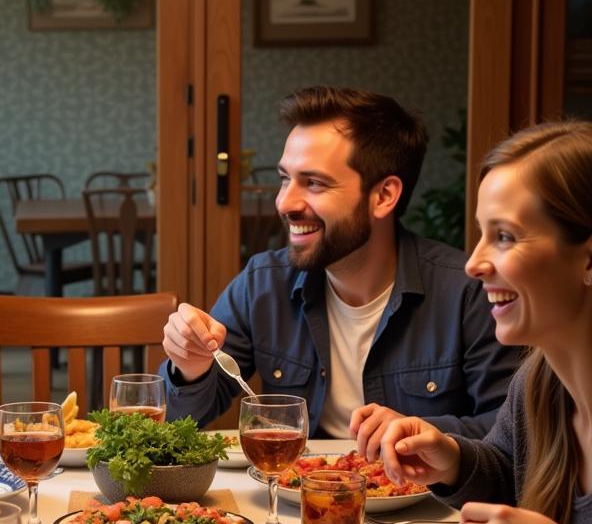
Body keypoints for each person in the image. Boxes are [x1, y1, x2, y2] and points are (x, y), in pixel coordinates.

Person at [161, 86, 521, 442]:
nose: (285, 203)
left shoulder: (467, 292)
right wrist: (190, 370)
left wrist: (423, 434)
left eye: (314, 183)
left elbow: (514, 429)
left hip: (423, 498)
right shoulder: (263, 284)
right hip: (297, 495)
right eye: (285, 179)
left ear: (384, 196)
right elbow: (177, 419)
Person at [379, 121, 592, 524]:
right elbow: (511, 472)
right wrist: (454, 459)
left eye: (504, 236)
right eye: (480, 234)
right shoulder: (540, 384)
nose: (473, 263)